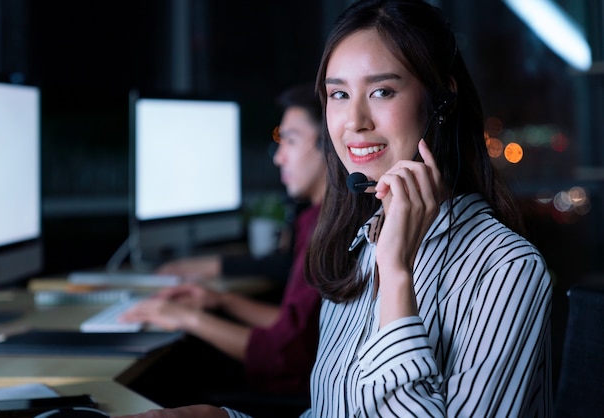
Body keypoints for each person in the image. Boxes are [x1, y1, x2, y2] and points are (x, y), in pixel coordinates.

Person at [115, 0, 552, 417]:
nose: (354, 121)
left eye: (382, 91)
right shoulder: (358, 245)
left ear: (442, 100)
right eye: (338, 95)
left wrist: (396, 276)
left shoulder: (505, 269)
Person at [119, 83, 326, 405]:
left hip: (300, 396)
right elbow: (296, 327)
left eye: (290, 140)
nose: (279, 157)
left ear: (327, 145)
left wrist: (186, 317)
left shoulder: (327, 229)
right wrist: (220, 300)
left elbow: (284, 354)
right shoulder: (314, 220)